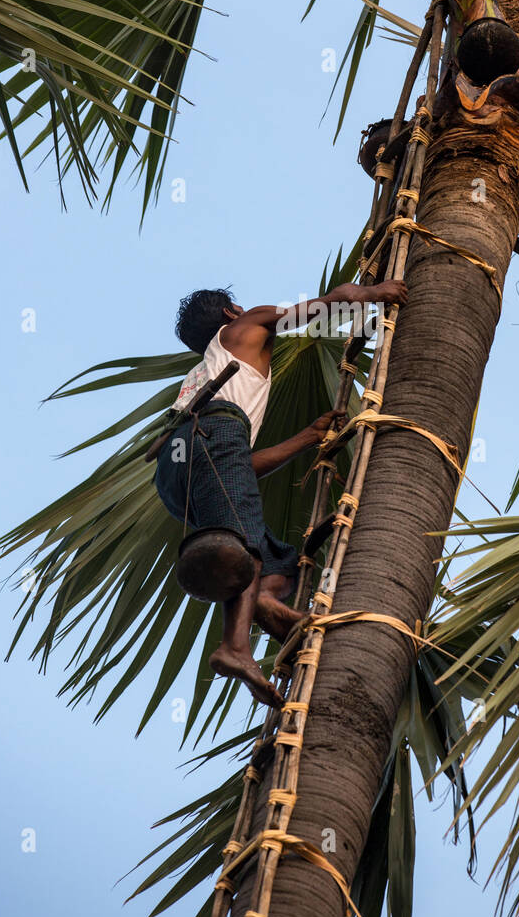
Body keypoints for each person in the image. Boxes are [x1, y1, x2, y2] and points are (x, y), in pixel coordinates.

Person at [154, 279, 408, 706]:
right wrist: (373, 292)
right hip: (214, 437)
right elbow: (323, 306)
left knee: (278, 563)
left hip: (173, 471)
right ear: (231, 312)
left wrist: (308, 437)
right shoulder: (247, 324)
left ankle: (266, 602)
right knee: (243, 546)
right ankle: (234, 647)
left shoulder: (207, 373)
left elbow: (241, 467)